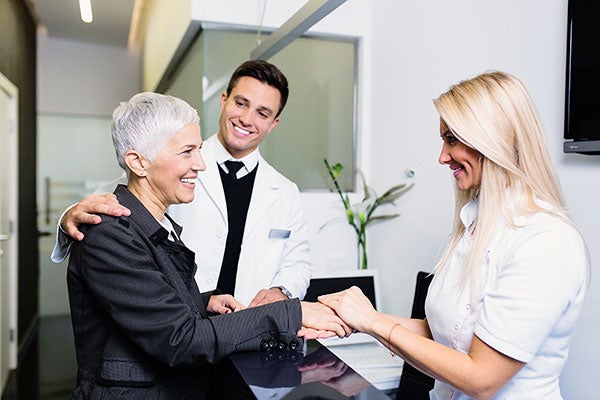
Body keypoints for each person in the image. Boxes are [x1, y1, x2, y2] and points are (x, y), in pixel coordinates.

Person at [318, 71, 589, 399]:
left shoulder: (546, 241)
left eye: (452, 139)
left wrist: (374, 323)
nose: (442, 157)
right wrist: (354, 320)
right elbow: (442, 336)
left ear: (494, 139)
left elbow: (482, 378)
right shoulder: (475, 224)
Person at [67, 92, 349, 399]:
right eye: (187, 152)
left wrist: (202, 303)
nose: (200, 165)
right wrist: (291, 313)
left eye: (198, 150)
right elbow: (180, 339)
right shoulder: (110, 231)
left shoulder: (159, 221)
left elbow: (153, 296)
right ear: (138, 162)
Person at [53, 60, 311, 307]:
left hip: (251, 324)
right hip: (185, 318)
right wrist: (70, 216)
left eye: (262, 113)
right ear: (224, 100)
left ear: (273, 123)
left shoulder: (286, 192)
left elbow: (298, 262)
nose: (246, 118)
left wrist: (282, 291)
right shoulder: (176, 163)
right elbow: (124, 195)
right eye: (241, 103)